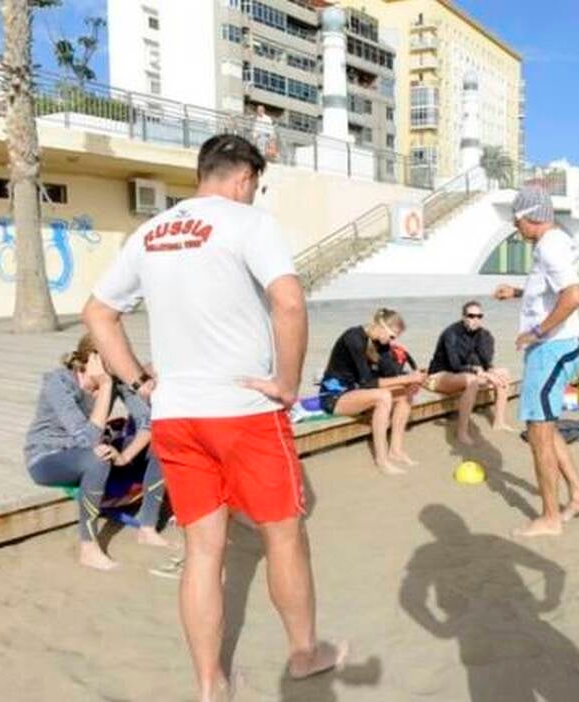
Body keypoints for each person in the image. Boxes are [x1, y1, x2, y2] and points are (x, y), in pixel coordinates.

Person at [83, 134, 345, 702]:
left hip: (177, 415)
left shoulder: (150, 232)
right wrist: (287, 384)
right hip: (243, 410)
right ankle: (304, 655)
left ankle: (210, 683)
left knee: (203, 550)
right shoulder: (248, 222)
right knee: (284, 536)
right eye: (256, 185)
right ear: (245, 178)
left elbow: (98, 313)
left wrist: (140, 382)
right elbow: (290, 302)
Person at [492, 186, 579, 538]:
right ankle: (578, 496)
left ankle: (550, 518)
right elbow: (555, 289)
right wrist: (518, 293)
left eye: (516, 219)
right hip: (559, 346)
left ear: (531, 216)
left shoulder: (549, 246)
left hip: (551, 348)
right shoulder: (556, 242)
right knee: (545, 428)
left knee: (537, 433)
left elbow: (574, 296)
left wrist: (536, 331)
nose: (515, 226)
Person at [23, 333, 170, 571]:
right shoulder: (59, 382)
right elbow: (86, 439)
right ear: (94, 359)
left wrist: (125, 456)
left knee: (163, 442)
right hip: (48, 457)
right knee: (97, 458)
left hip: (91, 451)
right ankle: (89, 548)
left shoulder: (115, 379)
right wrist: (106, 386)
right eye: (116, 357)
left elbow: (149, 422)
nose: (123, 363)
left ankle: (147, 526)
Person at [320, 308, 426, 475]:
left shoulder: (381, 343)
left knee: (406, 392)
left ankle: (396, 451)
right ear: (381, 326)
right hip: (334, 397)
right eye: (392, 336)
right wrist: (406, 379)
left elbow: (390, 374)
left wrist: (413, 378)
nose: (392, 341)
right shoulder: (353, 338)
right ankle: (382, 460)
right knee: (383, 396)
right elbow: (367, 383)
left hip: (357, 392)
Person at [426, 300, 513, 444]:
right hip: (440, 375)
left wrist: (489, 372)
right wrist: (478, 371)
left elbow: (486, 363)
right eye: (471, 316)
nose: (475, 319)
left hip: (463, 374)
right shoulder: (451, 333)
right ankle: (462, 432)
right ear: (463, 317)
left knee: (503, 373)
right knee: (472, 381)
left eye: (479, 316)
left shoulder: (484, 335)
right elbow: (455, 365)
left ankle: (499, 422)